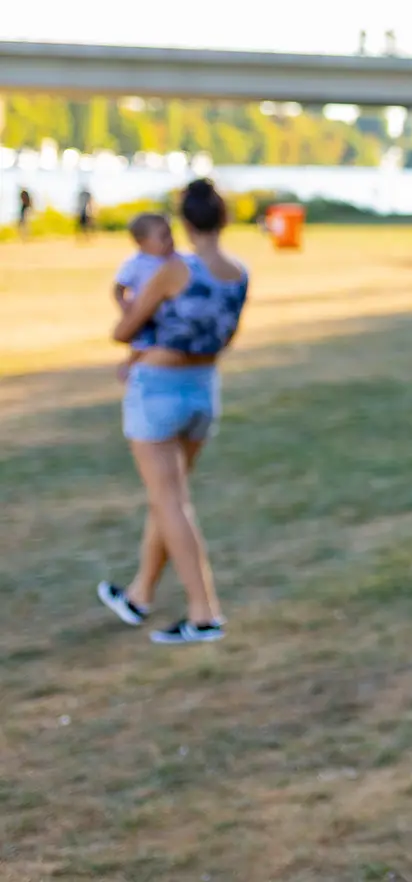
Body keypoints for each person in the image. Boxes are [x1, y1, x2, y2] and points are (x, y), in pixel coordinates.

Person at [95, 179, 248, 644]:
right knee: (169, 499)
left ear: (184, 222)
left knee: (170, 501)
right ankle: (139, 595)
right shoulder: (238, 272)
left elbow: (124, 330)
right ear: (223, 218)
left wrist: (125, 308)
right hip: (204, 391)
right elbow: (222, 337)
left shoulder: (173, 271)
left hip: (159, 391)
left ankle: (204, 615)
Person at [111, 213, 176, 382]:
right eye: (163, 236)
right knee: (142, 346)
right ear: (142, 242)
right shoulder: (135, 264)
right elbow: (119, 287)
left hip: (168, 313)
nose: (170, 240)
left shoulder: (175, 261)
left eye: (170, 234)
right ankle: (129, 368)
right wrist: (124, 305)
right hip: (145, 314)